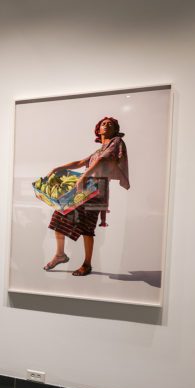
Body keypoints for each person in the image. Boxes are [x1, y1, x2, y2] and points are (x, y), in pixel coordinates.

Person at [43, 116, 130, 276]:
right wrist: (58, 168)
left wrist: (84, 176)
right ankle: (60, 255)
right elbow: (81, 162)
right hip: (84, 187)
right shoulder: (98, 150)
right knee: (58, 216)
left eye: (110, 124)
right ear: (98, 130)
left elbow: (102, 161)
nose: (107, 125)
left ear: (115, 130)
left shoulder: (116, 141)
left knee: (87, 228)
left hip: (98, 189)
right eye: (104, 124)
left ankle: (87, 264)